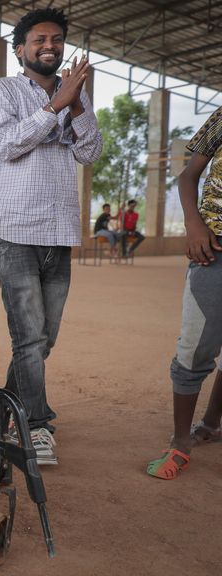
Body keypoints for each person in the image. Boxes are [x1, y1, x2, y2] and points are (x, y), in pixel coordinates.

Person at [0, 7, 102, 465]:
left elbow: (89, 152)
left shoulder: (77, 98)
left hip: (57, 231)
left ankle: (8, 407)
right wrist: (55, 105)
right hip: (12, 230)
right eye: (39, 40)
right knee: (28, 335)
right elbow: (5, 145)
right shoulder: (3, 92)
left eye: (56, 39)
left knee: (43, 336)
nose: (48, 46)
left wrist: (74, 103)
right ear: (20, 50)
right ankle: (35, 424)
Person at [146, 106, 222, 479]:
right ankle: (180, 441)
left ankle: (210, 424)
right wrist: (194, 224)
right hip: (215, 247)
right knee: (196, 344)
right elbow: (189, 174)